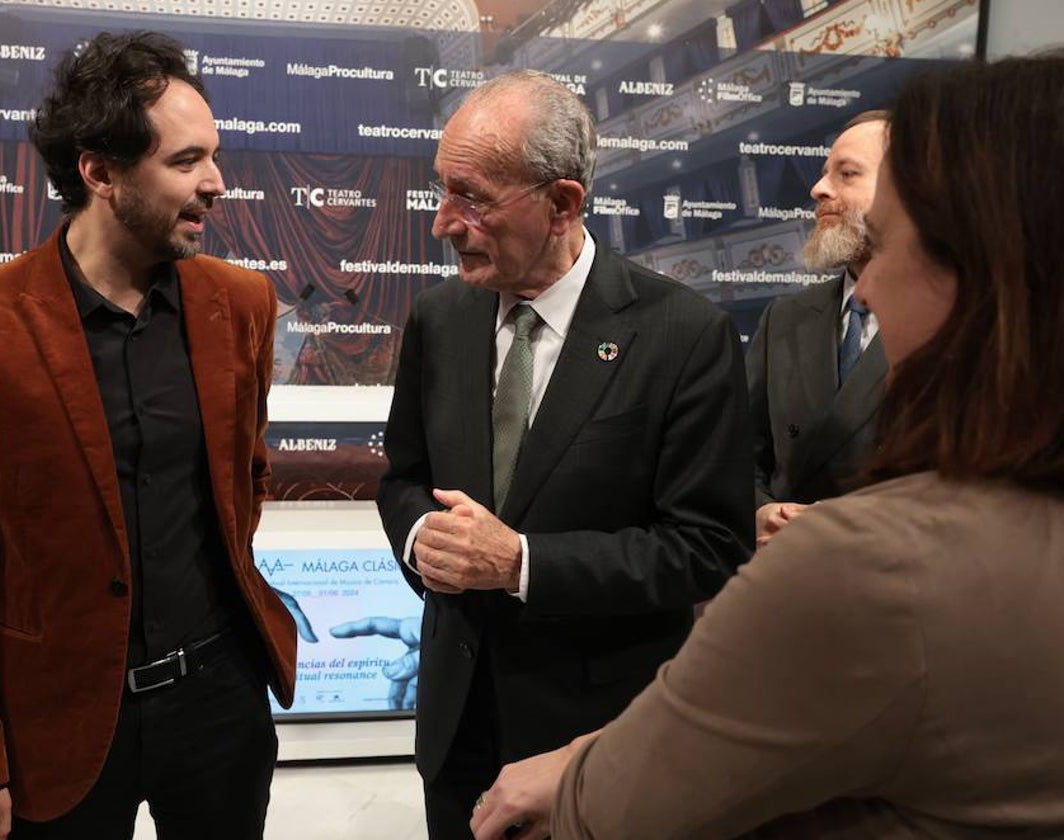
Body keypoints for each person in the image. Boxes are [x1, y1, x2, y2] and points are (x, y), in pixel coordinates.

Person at [470, 55, 1064, 839]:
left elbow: (625, 809)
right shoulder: (790, 325)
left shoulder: (868, 563)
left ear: (980, 267)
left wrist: (579, 764)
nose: (872, 287)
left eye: (882, 243)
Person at [0, 31, 296, 840]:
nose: (216, 184)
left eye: (214, 157)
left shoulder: (241, 304)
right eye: (186, 162)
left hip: (220, 710)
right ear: (100, 172)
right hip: (54, 720)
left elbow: (242, 480)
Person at [376, 69, 754, 839]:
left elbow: (707, 547)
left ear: (562, 204)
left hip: (598, 745)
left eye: (472, 198)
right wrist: (423, 539)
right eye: (441, 192)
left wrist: (520, 561)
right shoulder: (441, 319)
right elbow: (404, 479)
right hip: (456, 735)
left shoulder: (683, 336)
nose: (445, 223)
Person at [748, 111, 889, 548]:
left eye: (846, 174)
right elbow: (736, 455)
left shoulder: (971, 321)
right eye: (824, 173)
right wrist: (760, 510)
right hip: (785, 585)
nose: (818, 189)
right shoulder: (784, 318)